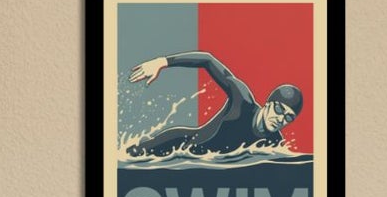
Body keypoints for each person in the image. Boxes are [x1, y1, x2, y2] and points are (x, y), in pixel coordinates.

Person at [124, 50, 304, 157]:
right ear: (268, 103)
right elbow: (208, 60)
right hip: (178, 147)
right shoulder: (243, 101)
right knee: (127, 156)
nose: (281, 118)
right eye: (279, 109)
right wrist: (162, 62)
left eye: (289, 117)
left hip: (200, 166)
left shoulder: (274, 142)